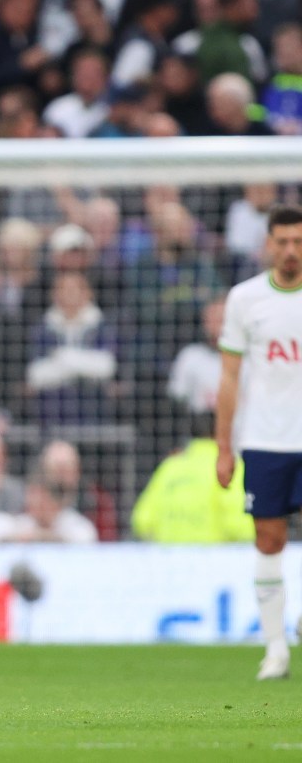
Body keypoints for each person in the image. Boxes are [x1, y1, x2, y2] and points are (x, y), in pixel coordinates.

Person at [216, 204, 302, 681]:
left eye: (298, 242)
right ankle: (276, 650)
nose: (291, 251)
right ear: (269, 244)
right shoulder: (245, 299)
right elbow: (229, 378)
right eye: (283, 242)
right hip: (266, 439)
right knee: (268, 539)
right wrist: (224, 447)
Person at [134, 416, 254, 544]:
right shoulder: (228, 467)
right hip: (215, 556)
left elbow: (142, 521)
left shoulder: (170, 466)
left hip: (169, 556)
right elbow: (241, 526)